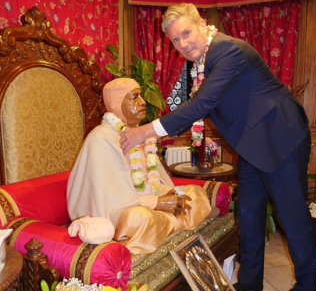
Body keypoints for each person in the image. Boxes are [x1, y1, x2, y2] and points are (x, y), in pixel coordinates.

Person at [118, 3, 316, 291]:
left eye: (186, 33)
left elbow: (201, 104)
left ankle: (308, 288)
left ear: (202, 25)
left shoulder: (227, 51)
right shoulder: (202, 63)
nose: (183, 44)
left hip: (280, 138)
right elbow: (194, 109)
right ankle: (250, 278)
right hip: (252, 145)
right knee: (249, 212)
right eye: (175, 40)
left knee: (292, 216)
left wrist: (143, 131)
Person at [66, 77, 216, 255]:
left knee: (195, 194)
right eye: (134, 97)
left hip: (144, 201)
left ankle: (165, 225)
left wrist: (170, 194)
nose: (143, 102)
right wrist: (158, 203)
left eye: (141, 96)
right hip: (116, 211)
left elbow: (148, 181)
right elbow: (112, 199)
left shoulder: (137, 133)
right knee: (141, 219)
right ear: (116, 103)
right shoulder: (101, 138)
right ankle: (170, 224)